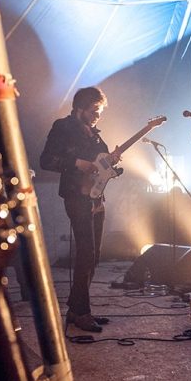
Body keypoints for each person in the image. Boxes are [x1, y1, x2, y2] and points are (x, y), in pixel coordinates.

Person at [40, 87, 120, 332]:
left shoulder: (95, 136)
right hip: (76, 195)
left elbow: (101, 168)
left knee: (93, 255)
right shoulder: (63, 128)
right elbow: (45, 160)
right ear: (80, 108)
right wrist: (76, 163)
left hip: (96, 198)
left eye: (101, 110)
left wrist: (112, 166)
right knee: (85, 252)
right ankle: (82, 313)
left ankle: (76, 310)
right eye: (95, 110)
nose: (98, 115)